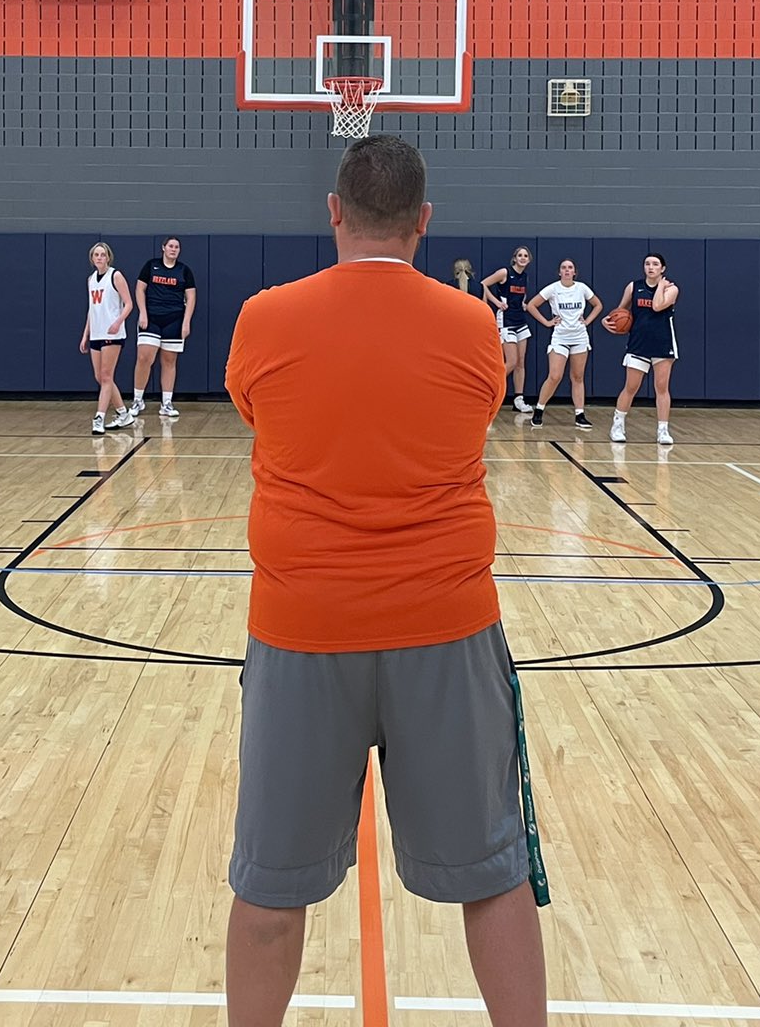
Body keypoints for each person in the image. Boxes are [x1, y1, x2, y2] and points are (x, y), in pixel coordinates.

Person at [223, 135, 548, 1027]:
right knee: (493, 874)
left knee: (269, 887)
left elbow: (254, 408)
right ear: (424, 222)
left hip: (301, 630)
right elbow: (478, 414)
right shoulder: (473, 326)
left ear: (333, 212)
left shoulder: (264, 318)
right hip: (446, 628)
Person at [609, 252, 678, 446]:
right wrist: (609, 322)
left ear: (662, 269)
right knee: (631, 387)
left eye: (655, 264)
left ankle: (663, 430)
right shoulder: (633, 287)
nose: (650, 267)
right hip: (638, 344)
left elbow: (657, 306)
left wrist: (661, 286)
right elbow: (620, 311)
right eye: (647, 263)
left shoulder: (671, 290)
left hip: (662, 344)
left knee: (661, 388)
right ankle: (618, 424)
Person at [524, 258, 600, 429]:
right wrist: (547, 322)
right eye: (564, 268)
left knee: (578, 377)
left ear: (575, 272)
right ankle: (539, 410)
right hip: (560, 338)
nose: (567, 270)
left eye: (570, 268)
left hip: (580, 337)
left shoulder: (582, 288)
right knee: (555, 376)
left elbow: (598, 305)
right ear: (559, 272)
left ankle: (580, 414)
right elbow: (531, 305)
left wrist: (587, 321)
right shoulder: (553, 288)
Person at [130, 237, 197, 421]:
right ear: (163, 248)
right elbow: (139, 289)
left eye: (176, 247)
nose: (173, 249)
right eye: (170, 246)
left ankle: (166, 403)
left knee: (169, 362)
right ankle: (137, 400)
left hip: (174, 320)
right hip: (151, 319)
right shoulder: (151, 266)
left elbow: (191, 297)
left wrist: (186, 321)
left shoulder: (184, 271)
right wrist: (142, 313)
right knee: (144, 358)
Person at [82, 241, 134, 434]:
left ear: (108, 257)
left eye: (103, 255)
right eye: (96, 255)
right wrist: (85, 334)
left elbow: (129, 304)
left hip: (113, 333)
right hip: (96, 333)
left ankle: (99, 418)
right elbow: (92, 309)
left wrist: (117, 322)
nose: (99, 258)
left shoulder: (116, 275)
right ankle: (123, 413)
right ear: (92, 258)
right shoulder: (91, 279)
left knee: (106, 376)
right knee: (100, 377)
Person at [480, 247, 535, 412]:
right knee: (511, 361)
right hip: (506, 320)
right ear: (514, 258)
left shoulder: (524, 277)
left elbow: (520, 295)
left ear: (529, 260)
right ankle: (490, 391)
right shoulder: (505, 272)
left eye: (526, 256)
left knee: (520, 362)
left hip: (521, 320)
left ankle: (519, 399)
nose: (523, 258)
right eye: (520, 255)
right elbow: (483, 284)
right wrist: (496, 303)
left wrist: (523, 303)